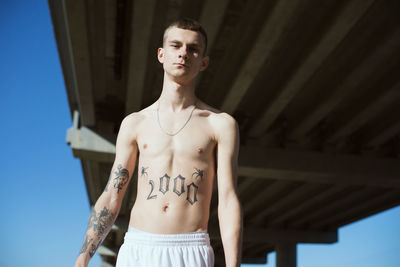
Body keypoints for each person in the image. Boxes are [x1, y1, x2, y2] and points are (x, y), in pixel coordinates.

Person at [74, 18, 242, 267]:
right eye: (176, 45)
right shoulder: (135, 123)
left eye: (193, 49)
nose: (184, 53)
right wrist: (83, 257)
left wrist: (233, 264)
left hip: (190, 251)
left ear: (203, 62)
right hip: (139, 249)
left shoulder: (220, 124)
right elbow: (112, 194)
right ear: (161, 54)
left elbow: (228, 199)